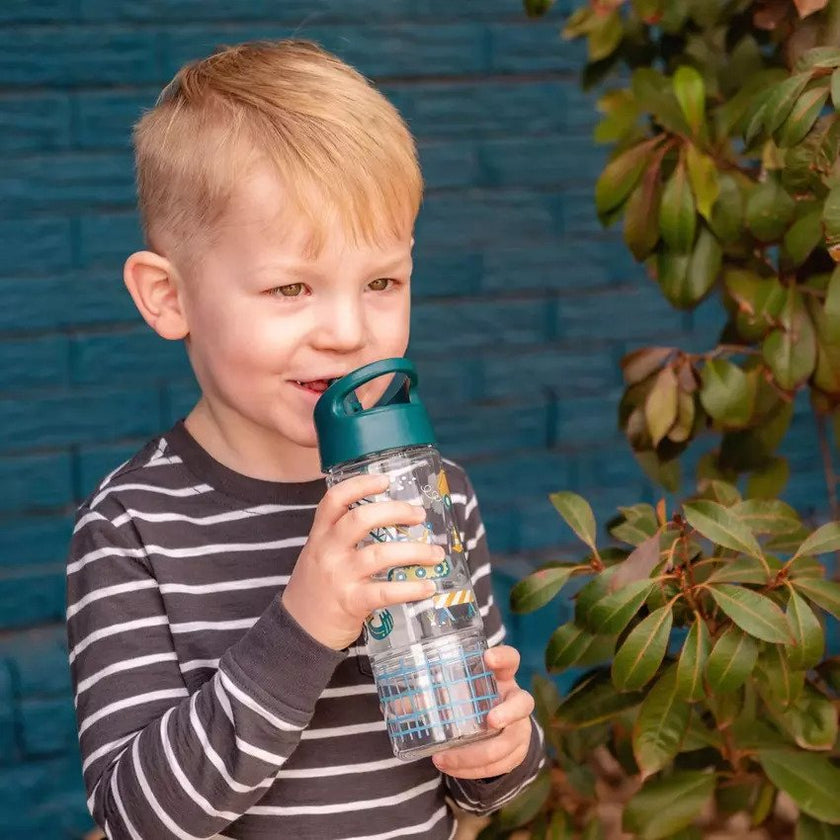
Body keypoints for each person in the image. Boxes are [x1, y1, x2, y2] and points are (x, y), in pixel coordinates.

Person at [66, 39, 545, 840]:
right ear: (168, 297)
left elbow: (474, 790)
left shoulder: (434, 495)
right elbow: (135, 820)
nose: (349, 332)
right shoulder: (132, 528)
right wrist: (306, 621)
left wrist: (499, 750)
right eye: (291, 287)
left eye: (382, 282)